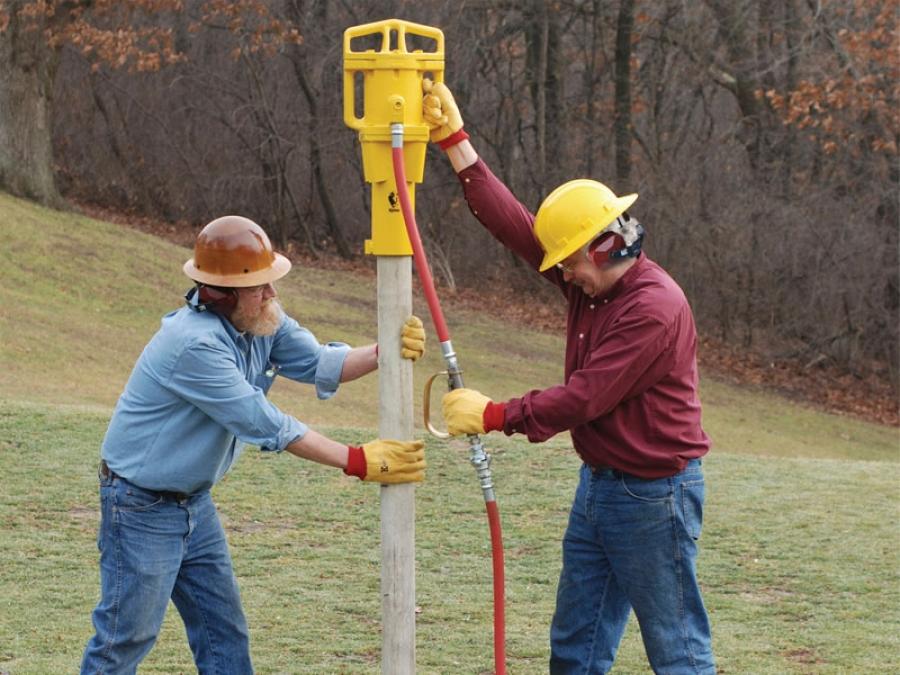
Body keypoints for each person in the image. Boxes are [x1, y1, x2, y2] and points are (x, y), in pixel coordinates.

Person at [423, 80, 715, 674]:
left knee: (677, 651)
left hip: (654, 495)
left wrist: (494, 414)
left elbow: (585, 397)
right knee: (575, 647)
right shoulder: (596, 274)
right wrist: (458, 147)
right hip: (602, 486)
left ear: (605, 246)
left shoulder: (652, 309)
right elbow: (522, 231)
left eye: (570, 264)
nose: (563, 276)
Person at [80, 215, 426, 673]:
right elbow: (266, 423)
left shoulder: (262, 321)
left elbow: (321, 361)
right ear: (220, 294)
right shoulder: (194, 346)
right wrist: (358, 460)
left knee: (224, 634)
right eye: (260, 286)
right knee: (125, 639)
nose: (272, 294)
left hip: (193, 505)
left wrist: (384, 352)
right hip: (141, 507)